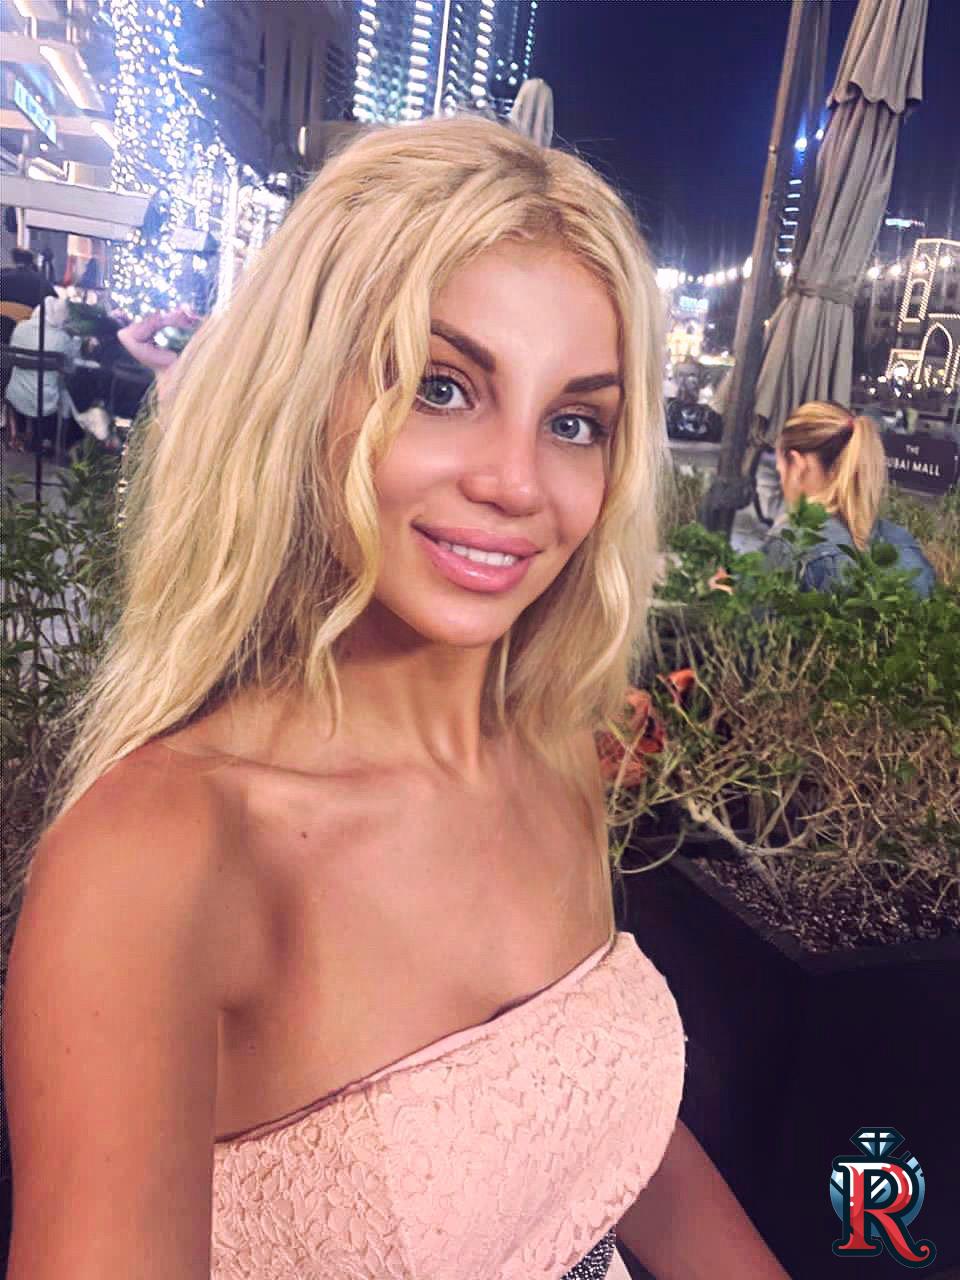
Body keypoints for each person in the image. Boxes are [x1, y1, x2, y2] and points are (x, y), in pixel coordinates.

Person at [3, 116, 788, 1280]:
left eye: (575, 421)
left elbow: (599, 1132)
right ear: (304, 394)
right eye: (441, 386)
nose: (516, 481)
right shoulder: (160, 858)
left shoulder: (553, 754)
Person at [764, 400, 936, 597]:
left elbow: (755, 614)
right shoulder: (905, 545)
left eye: (780, 469)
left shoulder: (791, 545)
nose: (781, 479)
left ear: (797, 464)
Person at [3, 295, 86, 450]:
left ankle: (23, 436)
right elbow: (71, 369)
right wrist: (77, 341)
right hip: (46, 402)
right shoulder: (63, 338)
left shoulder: (20, 328)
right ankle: (63, 441)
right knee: (71, 389)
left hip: (15, 395)